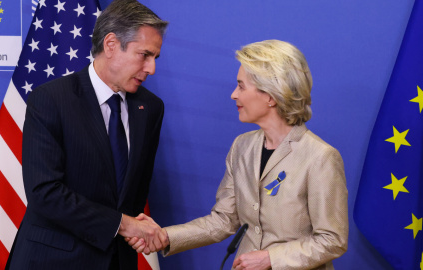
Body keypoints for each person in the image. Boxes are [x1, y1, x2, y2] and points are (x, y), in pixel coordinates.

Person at [129, 40, 348, 269]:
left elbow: (333, 240)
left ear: (271, 95)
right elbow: (224, 220)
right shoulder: (241, 147)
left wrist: (271, 258)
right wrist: (166, 236)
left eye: (241, 86)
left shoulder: (320, 157)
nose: (234, 95)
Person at [5, 0, 169, 269]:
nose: (152, 69)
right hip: (53, 260)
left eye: (155, 58)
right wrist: (123, 224)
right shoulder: (50, 100)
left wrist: (138, 229)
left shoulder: (149, 108)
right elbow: (45, 193)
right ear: (112, 45)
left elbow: (135, 195)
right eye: (144, 55)